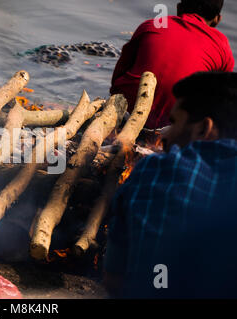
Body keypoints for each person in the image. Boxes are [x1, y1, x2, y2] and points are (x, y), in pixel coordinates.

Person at [104, 72, 237, 298]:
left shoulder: (156, 172)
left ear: (203, 128)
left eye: (174, 122)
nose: (165, 136)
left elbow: (114, 279)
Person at [111, 0, 234, 129]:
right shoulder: (223, 46)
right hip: (175, 124)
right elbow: (221, 100)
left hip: (127, 111)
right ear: (217, 19)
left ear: (179, 8)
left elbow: (117, 77)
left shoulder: (152, 25)